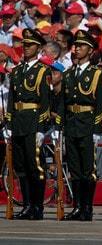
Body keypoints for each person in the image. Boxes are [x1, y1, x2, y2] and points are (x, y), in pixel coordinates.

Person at [55, 29, 102, 222]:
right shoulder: (68, 74)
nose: (77, 49)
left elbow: (100, 104)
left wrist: (95, 129)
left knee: (87, 170)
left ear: (91, 51)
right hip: (72, 123)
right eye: (76, 46)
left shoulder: (96, 74)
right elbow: (62, 103)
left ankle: (87, 208)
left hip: (86, 123)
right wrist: (59, 125)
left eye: (82, 46)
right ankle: (77, 206)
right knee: (75, 169)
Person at [3, 29, 51, 220]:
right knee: (21, 167)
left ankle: (37, 207)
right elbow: (11, 100)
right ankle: (27, 205)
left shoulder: (42, 70)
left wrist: (41, 128)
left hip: (33, 121)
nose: (26, 48)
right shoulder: (18, 71)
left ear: (38, 47)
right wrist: (8, 123)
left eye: (30, 45)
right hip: (18, 122)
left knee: (35, 166)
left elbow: (45, 102)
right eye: (24, 44)